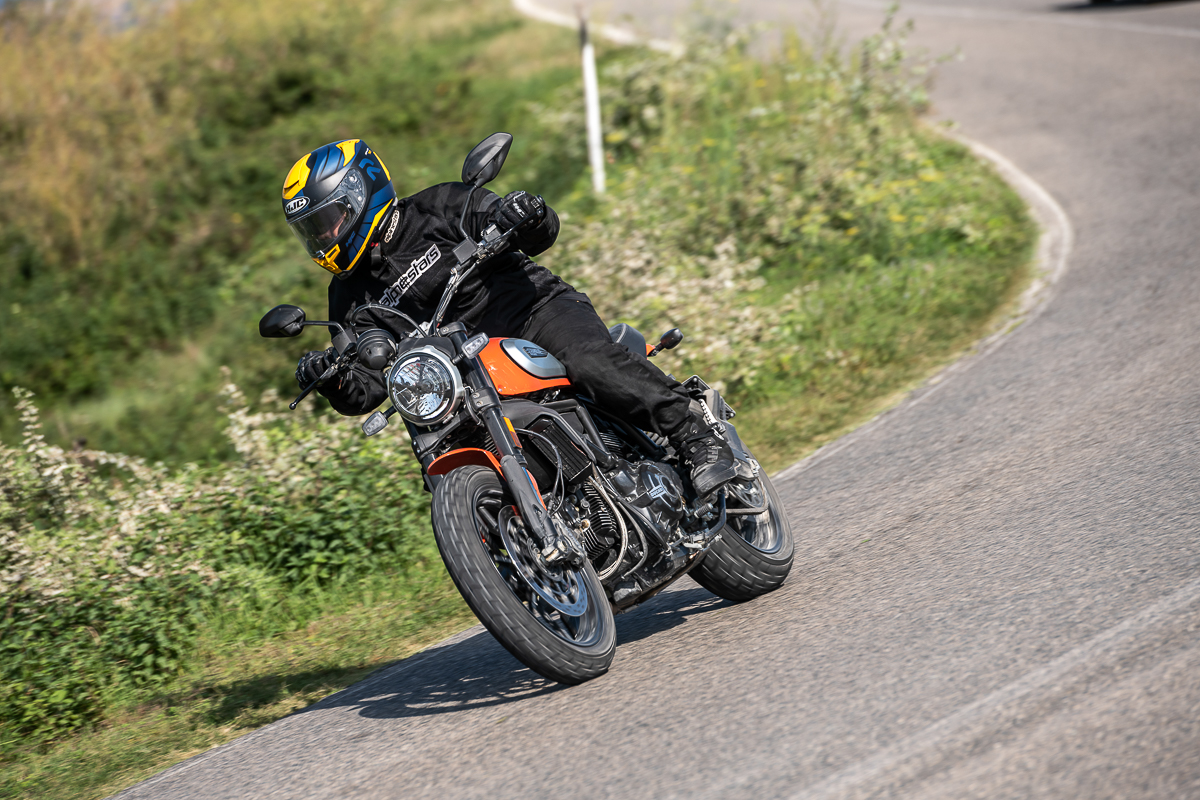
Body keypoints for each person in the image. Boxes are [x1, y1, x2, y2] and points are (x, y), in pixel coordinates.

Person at [283, 138, 736, 495]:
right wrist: (333, 379)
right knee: (440, 455)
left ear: (360, 194)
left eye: (328, 221)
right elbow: (367, 384)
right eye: (312, 231)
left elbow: (536, 232)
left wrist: (523, 212)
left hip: (533, 316)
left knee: (587, 361)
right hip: (463, 378)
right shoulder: (348, 297)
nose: (324, 237)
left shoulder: (440, 205)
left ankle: (695, 434)